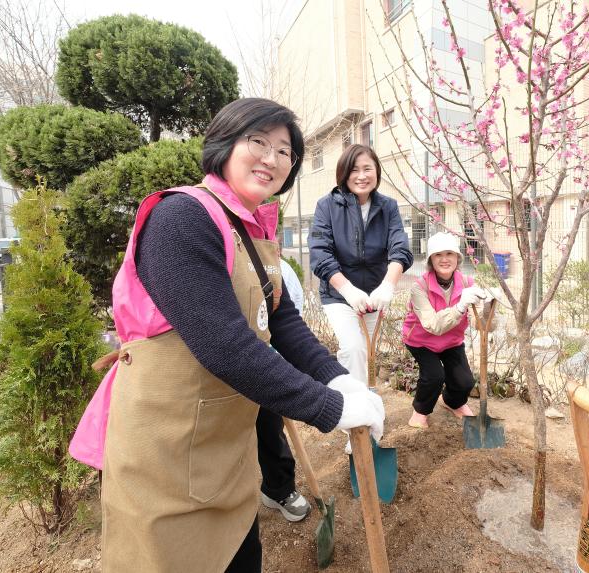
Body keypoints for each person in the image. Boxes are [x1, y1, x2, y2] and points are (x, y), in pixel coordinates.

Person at [99, 98, 384, 572]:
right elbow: (224, 344)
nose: (271, 159)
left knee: (239, 555)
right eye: (259, 142)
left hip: (223, 451)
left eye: (285, 151)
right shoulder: (181, 220)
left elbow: (284, 322)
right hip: (166, 453)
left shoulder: (248, 228)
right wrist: (327, 407)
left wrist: (338, 379)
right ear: (225, 143)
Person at [309, 144, 413, 383]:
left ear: (377, 171)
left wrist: (388, 285)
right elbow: (320, 254)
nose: (362, 176)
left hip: (374, 295)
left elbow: (400, 248)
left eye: (368, 169)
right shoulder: (327, 206)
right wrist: (347, 289)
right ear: (344, 173)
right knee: (353, 348)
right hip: (339, 295)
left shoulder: (388, 207)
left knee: (366, 351)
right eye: (355, 170)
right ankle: (355, 408)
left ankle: (364, 397)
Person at [402, 232, 490, 428]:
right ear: (431, 260)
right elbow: (432, 325)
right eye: (438, 255)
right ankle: (420, 411)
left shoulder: (467, 283)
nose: (444, 259)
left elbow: (482, 323)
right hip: (421, 340)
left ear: (457, 258)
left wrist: (490, 306)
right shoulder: (419, 287)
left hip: (451, 341)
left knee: (465, 381)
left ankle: (452, 402)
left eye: (449, 253)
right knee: (434, 375)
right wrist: (460, 307)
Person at [255, 258, 311, 522]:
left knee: (268, 419)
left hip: (265, 355)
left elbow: (290, 314)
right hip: (214, 357)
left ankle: (278, 488)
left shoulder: (278, 268)